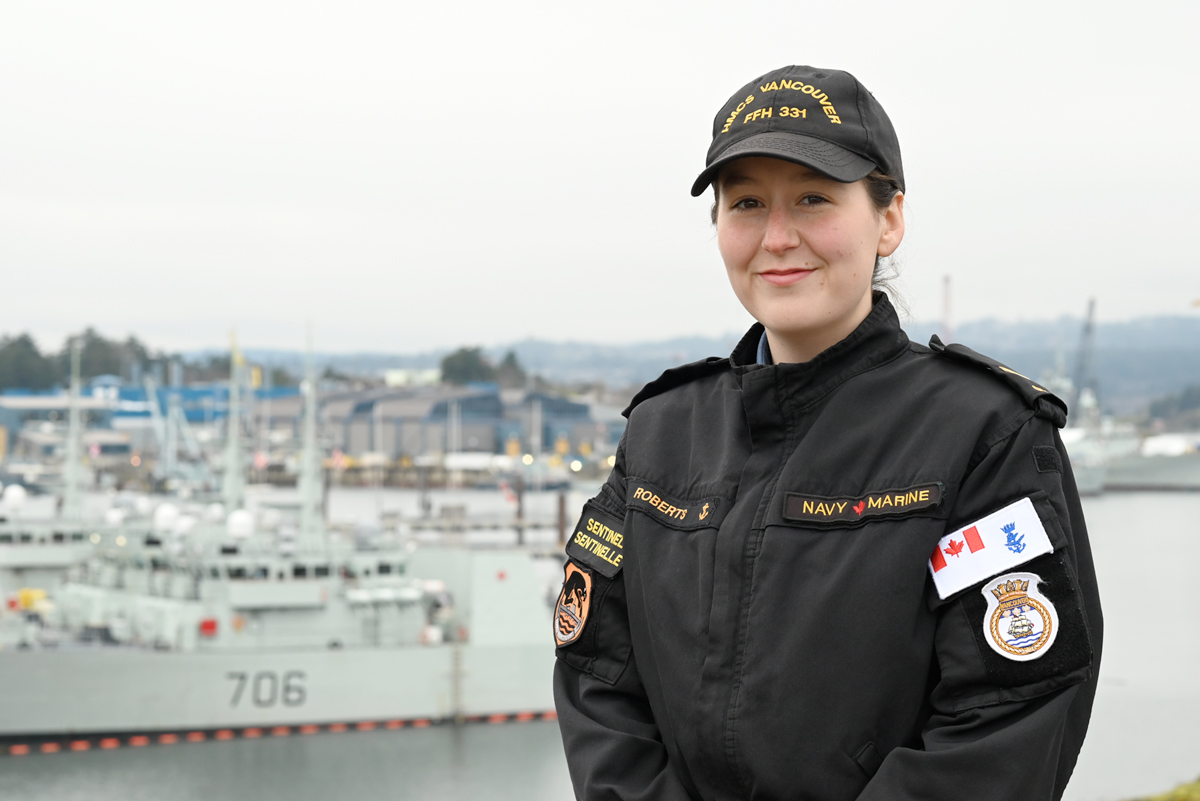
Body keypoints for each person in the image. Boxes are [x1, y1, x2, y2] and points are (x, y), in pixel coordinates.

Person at [552, 64, 1102, 801]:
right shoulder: (661, 431)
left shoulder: (983, 432)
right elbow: (599, 675)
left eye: (814, 198)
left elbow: (1009, 712)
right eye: (746, 202)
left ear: (889, 217)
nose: (778, 237)